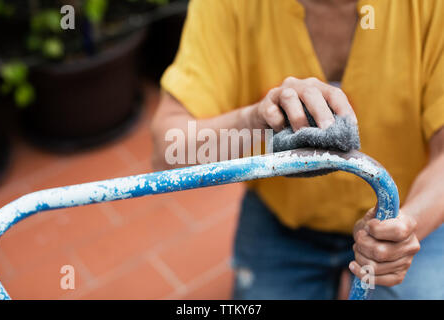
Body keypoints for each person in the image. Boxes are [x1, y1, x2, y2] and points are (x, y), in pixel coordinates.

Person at [150, 0, 444, 299]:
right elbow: (168, 152)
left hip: (409, 212)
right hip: (284, 219)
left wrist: (405, 230)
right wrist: (256, 120)